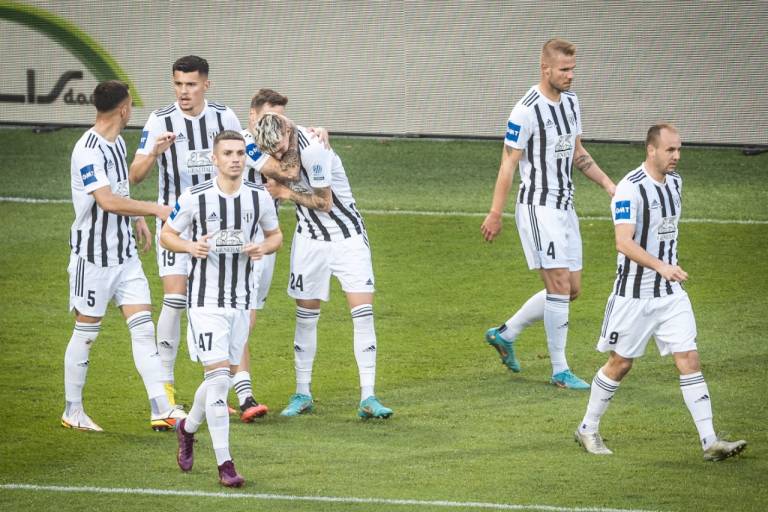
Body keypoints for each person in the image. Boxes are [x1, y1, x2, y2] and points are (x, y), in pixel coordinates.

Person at [574, 124, 747, 461]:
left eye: (679, 149)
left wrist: (667, 271)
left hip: (670, 294)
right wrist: (661, 266)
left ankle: (710, 441)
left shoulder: (675, 183)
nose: (676, 156)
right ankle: (587, 429)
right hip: (634, 295)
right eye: (670, 150)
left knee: (689, 358)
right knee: (620, 364)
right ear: (651, 150)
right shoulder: (629, 189)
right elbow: (623, 242)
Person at [481, 38, 615, 389]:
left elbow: (577, 152)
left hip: (565, 207)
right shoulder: (525, 110)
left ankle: (505, 334)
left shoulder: (571, 102)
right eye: (564, 70)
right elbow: (508, 164)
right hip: (538, 208)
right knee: (557, 285)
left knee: (571, 290)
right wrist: (495, 213)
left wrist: (608, 185)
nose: (571, 75)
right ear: (546, 69)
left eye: (573, 69)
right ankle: (560, 371)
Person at [161, 130, 282, 486]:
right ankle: (225, 465)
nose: (235, 159)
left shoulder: (259, 197)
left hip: (240, 301)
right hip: (205, 302)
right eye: (227, 153)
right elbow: (167, 234)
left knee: (222, 380)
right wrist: (189, 247)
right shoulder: (195, 197)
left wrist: (263, 248)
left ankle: (187, 429)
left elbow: (275, 235)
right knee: (217, 381)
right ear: (214, 159)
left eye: (240, 153)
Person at [253, 112, 393, 419]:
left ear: (287, 131)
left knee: (362, 314)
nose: (277, 156)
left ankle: (368, 396)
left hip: (347, 237)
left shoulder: (314, 149)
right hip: (309, 241)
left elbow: (324, 203)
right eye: (271, 152)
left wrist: (284, 192)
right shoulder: (264, 141)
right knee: (305, 317)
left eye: (280, 148)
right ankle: (302, 393)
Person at [63, 80, 181, 432]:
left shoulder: (116, 143)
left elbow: (119, 189)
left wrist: (138, 219)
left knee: (143, 329)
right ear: (124, 109)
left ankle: (162, 408)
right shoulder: (87, 150)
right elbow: (106, 200)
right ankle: (72, 410)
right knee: (86, 333)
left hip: (125, 256)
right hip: (92, 258)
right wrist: (155, 209)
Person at [129, 56, 243, 410]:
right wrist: (154, 153)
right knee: (176, 300)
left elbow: (245, 160)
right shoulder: (159, 119)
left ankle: (218, 391)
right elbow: (135, 175)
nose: (183, 91)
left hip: (216, 224)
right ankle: (165, 390)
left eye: (191, 84)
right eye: (178, 84)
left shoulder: (225, 117)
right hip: (175, 223)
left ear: (206, 85)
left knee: (218, 306)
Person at [228, 89, 330, 423]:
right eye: (271, 117)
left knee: (248, 315)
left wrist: (314, 135)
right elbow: (286, 172)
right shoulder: (246, 142)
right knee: (238, 315)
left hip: (265, 236)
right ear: (252, 115)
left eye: (282, 119)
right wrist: (301, 137)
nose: (278, 124)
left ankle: (224, 387)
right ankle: (240, 394)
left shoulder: (277, 138)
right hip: (240, 238)